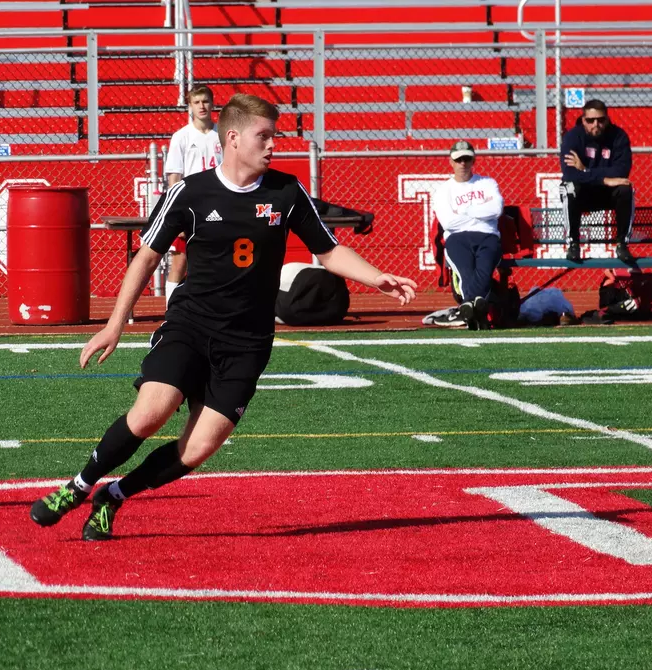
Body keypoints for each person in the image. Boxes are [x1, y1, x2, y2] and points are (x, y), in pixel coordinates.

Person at [30, 93, 417, 541]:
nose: (273, 145)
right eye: (264, 136)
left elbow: (329, 251)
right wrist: (115, 323)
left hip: (248, 342)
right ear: (233, 138)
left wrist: (375, 277)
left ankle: (113, 495)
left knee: (198, 448)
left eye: (274, 136)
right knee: (152, 411)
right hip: (190, 327)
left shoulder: (287, 192)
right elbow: (145, 257)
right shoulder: (190, 192)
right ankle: (78, 486)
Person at [431, 140, 504, 330]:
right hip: (457, 238)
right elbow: (448, 222)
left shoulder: (487, 183)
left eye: (467, 159)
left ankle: (468, 307)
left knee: (484, 270)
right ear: (451, 162)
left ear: (473, 161)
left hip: (487, 236)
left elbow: (496, 209)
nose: (463, 163)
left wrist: (465, 211)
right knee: (466, 272)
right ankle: (476, 308)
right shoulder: (443, 190)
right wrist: (480, 213)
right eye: (459, 159)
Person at [163, 84, 223, 305]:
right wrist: (176, 213)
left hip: (217, 203)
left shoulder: (222, 135)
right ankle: (171, 309)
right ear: (189, 106)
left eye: (205, 101)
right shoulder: (182, 137)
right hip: (190, 205)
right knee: (180, 260)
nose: (202, 106)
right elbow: (174, 177)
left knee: (217, 259)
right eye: (196, 102)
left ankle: (214, 306)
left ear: (212, 103)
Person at [559, 99, 634, 263]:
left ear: (607, 119)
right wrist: (605, 179)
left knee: (625, 188)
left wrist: (585, 170)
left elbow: (621, 171)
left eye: (600, 120)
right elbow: (570, 174)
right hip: (582, 194)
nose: (596, 124)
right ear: (583, 120)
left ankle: (622, 243)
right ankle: (573, 243)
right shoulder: (573, 137)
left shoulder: (618, 137)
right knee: (569, 188)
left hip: (606, 195)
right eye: (591, 120)